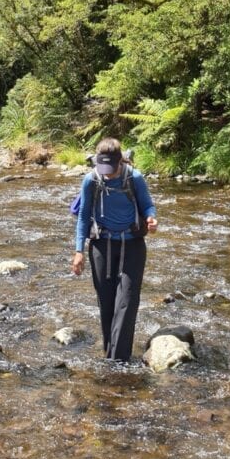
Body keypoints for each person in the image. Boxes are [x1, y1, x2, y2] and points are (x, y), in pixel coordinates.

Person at [71, 137, 158, 362]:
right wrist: (79, 251)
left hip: (133, 245)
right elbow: (83, 216)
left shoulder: (134, 178)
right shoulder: (91, 180)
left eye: (111, 169)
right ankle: (110, 351)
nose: (107, 174)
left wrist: (151, 218)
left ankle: (117, 361)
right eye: (104, 169)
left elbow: (147, 204)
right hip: (102, 244)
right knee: (107, 302)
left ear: (121, 161)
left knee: (127, 301)